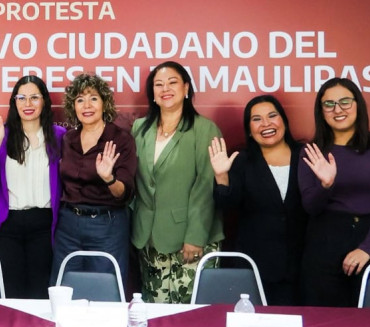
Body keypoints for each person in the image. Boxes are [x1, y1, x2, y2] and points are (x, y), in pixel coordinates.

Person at [298, 78, 370, 307]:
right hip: (326, 241)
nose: (337, 109)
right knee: (327, 324)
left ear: (358, 104)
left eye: (345, 101)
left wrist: (366, 249)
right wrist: (326, 186)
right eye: (328, 104)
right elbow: (310, 207)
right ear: (321, 111)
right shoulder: (312, 151)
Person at [131, 61, 223, 303]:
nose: (165, 89)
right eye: (158, 84)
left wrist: (195, 236)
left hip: (191, 239)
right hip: (148, 238)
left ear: (186, 88)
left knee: (191, 314)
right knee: (155, 312)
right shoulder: (139, 129)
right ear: (152, 94)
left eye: (172, 82)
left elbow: (205, 186)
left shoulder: (205, 129)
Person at [209, 95, 307, 305]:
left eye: (272, 116)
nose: (266, 124)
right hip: (255, 265)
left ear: (284, 120)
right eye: (257, 119)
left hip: (302, 266)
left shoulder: (307, 156)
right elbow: (228, 206)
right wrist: (221, 177)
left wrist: (327, 185)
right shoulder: (242, 160)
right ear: (249, 129)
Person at [0, 76, 66, 299]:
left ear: (44, 101)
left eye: (34, 97)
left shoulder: (59, 137)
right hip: (8, 226)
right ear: (14, 102)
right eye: (22, 98)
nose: (28, 104)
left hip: (45, 225)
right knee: (10, 293)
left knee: (41, 293)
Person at [50, 73, 137, 284]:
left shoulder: (121, 139)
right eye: (80, 100)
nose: (86, 105)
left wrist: (108, 178)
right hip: (68, 224)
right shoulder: (68, 139)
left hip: (107, 225)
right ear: (73, 107)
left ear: (105, 104)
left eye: (93, 98)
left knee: (105, 288)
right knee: (65, 288)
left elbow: (124, 193)